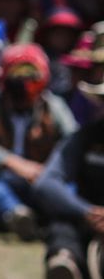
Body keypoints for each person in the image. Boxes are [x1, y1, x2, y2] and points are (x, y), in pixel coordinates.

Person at [0, 43, 77, 239]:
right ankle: (16, 215)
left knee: (68, 182)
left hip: (40, 182)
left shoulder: (53, 107)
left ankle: (64, 220)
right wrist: (13, 163)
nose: (24, 85)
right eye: (18, 78)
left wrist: (49, 170)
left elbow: (73, 142)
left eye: (31, 77)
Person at [32, 77, 104, 279]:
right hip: (87, 223)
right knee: (62, 222)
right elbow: (47, 183)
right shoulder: (86, 137)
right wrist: (88, 212)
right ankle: (65, 262)